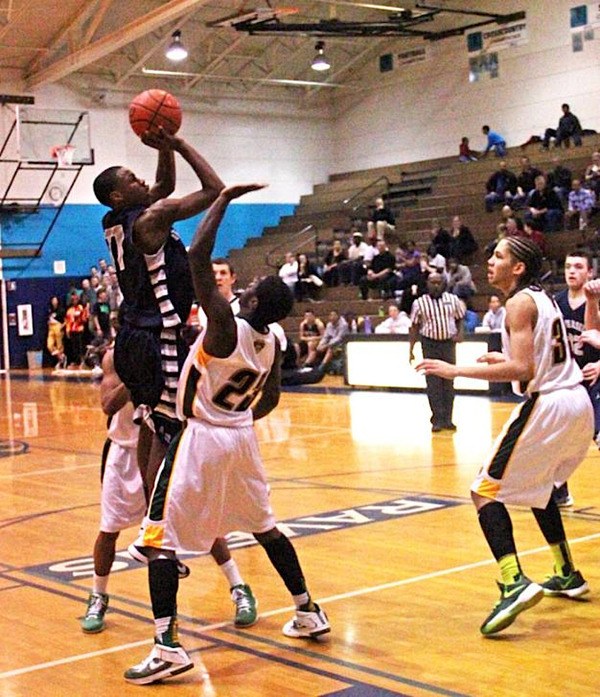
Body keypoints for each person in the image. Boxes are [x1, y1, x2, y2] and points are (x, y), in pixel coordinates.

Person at [124, 183, 330, 685]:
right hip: (241, 438)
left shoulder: (223, 324)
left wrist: (223, 201)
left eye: (250, 285)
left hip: (202, 437)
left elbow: (197, 254)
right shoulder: (274, 336)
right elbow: (274, 399)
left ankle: (166, 645)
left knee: (157, 538)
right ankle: (308, 610)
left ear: (252, 297)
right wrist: (236, 420)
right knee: (265, 526)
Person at [93, 129, 254, 627]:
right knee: (168, 428)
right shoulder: (151, 221)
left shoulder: (116, 218)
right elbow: (210, 189)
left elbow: (160, 183)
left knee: (152, 424)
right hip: (158, 334)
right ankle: (155, 528)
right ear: (121, 195)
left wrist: (158, 143)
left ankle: (153, 522)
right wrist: (182, 142)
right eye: (131, 177)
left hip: (137, 333)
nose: (144, 179)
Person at [417, 237, 593, 636]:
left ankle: (513, 582)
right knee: (542, 487)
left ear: (518, 268)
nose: (489, 261)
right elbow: (533, 359)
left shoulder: (517, 303)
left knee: (483, 490)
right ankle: (566, 571)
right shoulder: (542, 297)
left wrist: (454, 371)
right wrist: (506, 358)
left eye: (498, 255)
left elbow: (521, 369)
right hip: (575, 401)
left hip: (548, 404)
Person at [80, 347, 147, 633]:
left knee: (198, 521)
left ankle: (237, 586)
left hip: (158, 446)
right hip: (122, 451)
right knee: (109, 530)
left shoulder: (170, 346)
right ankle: (98, 595)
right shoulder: (115, 356)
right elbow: (108, 404)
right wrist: (136, 379)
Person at [553, 251, 600, 507]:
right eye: (568, 266)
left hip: (595, 376)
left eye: (578, 267)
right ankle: (560, 492)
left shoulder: (596, 299)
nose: (571, 271)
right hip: (568, 380)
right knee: (560, 438)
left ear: (589, 272)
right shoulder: (555, 301)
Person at [408, 272, 465, 432]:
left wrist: (460, 333)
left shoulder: (453, 300)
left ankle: (448, 419)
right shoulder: (419, 303)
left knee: (449, 381)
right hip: (430, 344)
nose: (435, 285)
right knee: (433, 383)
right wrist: (411, 349)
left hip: (448, 344)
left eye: (438, 282)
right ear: (427, 284)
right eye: (432, 282)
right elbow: (414, 327)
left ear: (444, 283)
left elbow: (460, 318)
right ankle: (437, 419)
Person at [64, 292, 88, 367]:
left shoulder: (81, 308)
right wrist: (67, 331)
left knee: (80, 346)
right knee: (74, 347)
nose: (74, 301)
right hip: (72, 330)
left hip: (79, 330)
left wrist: (81, 316)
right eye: (73, 299)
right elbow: (67, 322)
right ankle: (76, 361)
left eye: (75, 299)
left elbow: (84, 319)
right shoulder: (69, 310)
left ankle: (82, 361)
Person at [47, 295, 66, 369]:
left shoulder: (61, 310)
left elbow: (66, 320)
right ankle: (61, 356)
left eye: (55, 300)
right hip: (51, 328)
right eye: (53, 300)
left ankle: (61, 361)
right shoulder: (50, 310)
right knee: (49, 345)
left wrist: (62, 326)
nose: (54, 302)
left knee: (59, 345)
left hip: (58, 326)